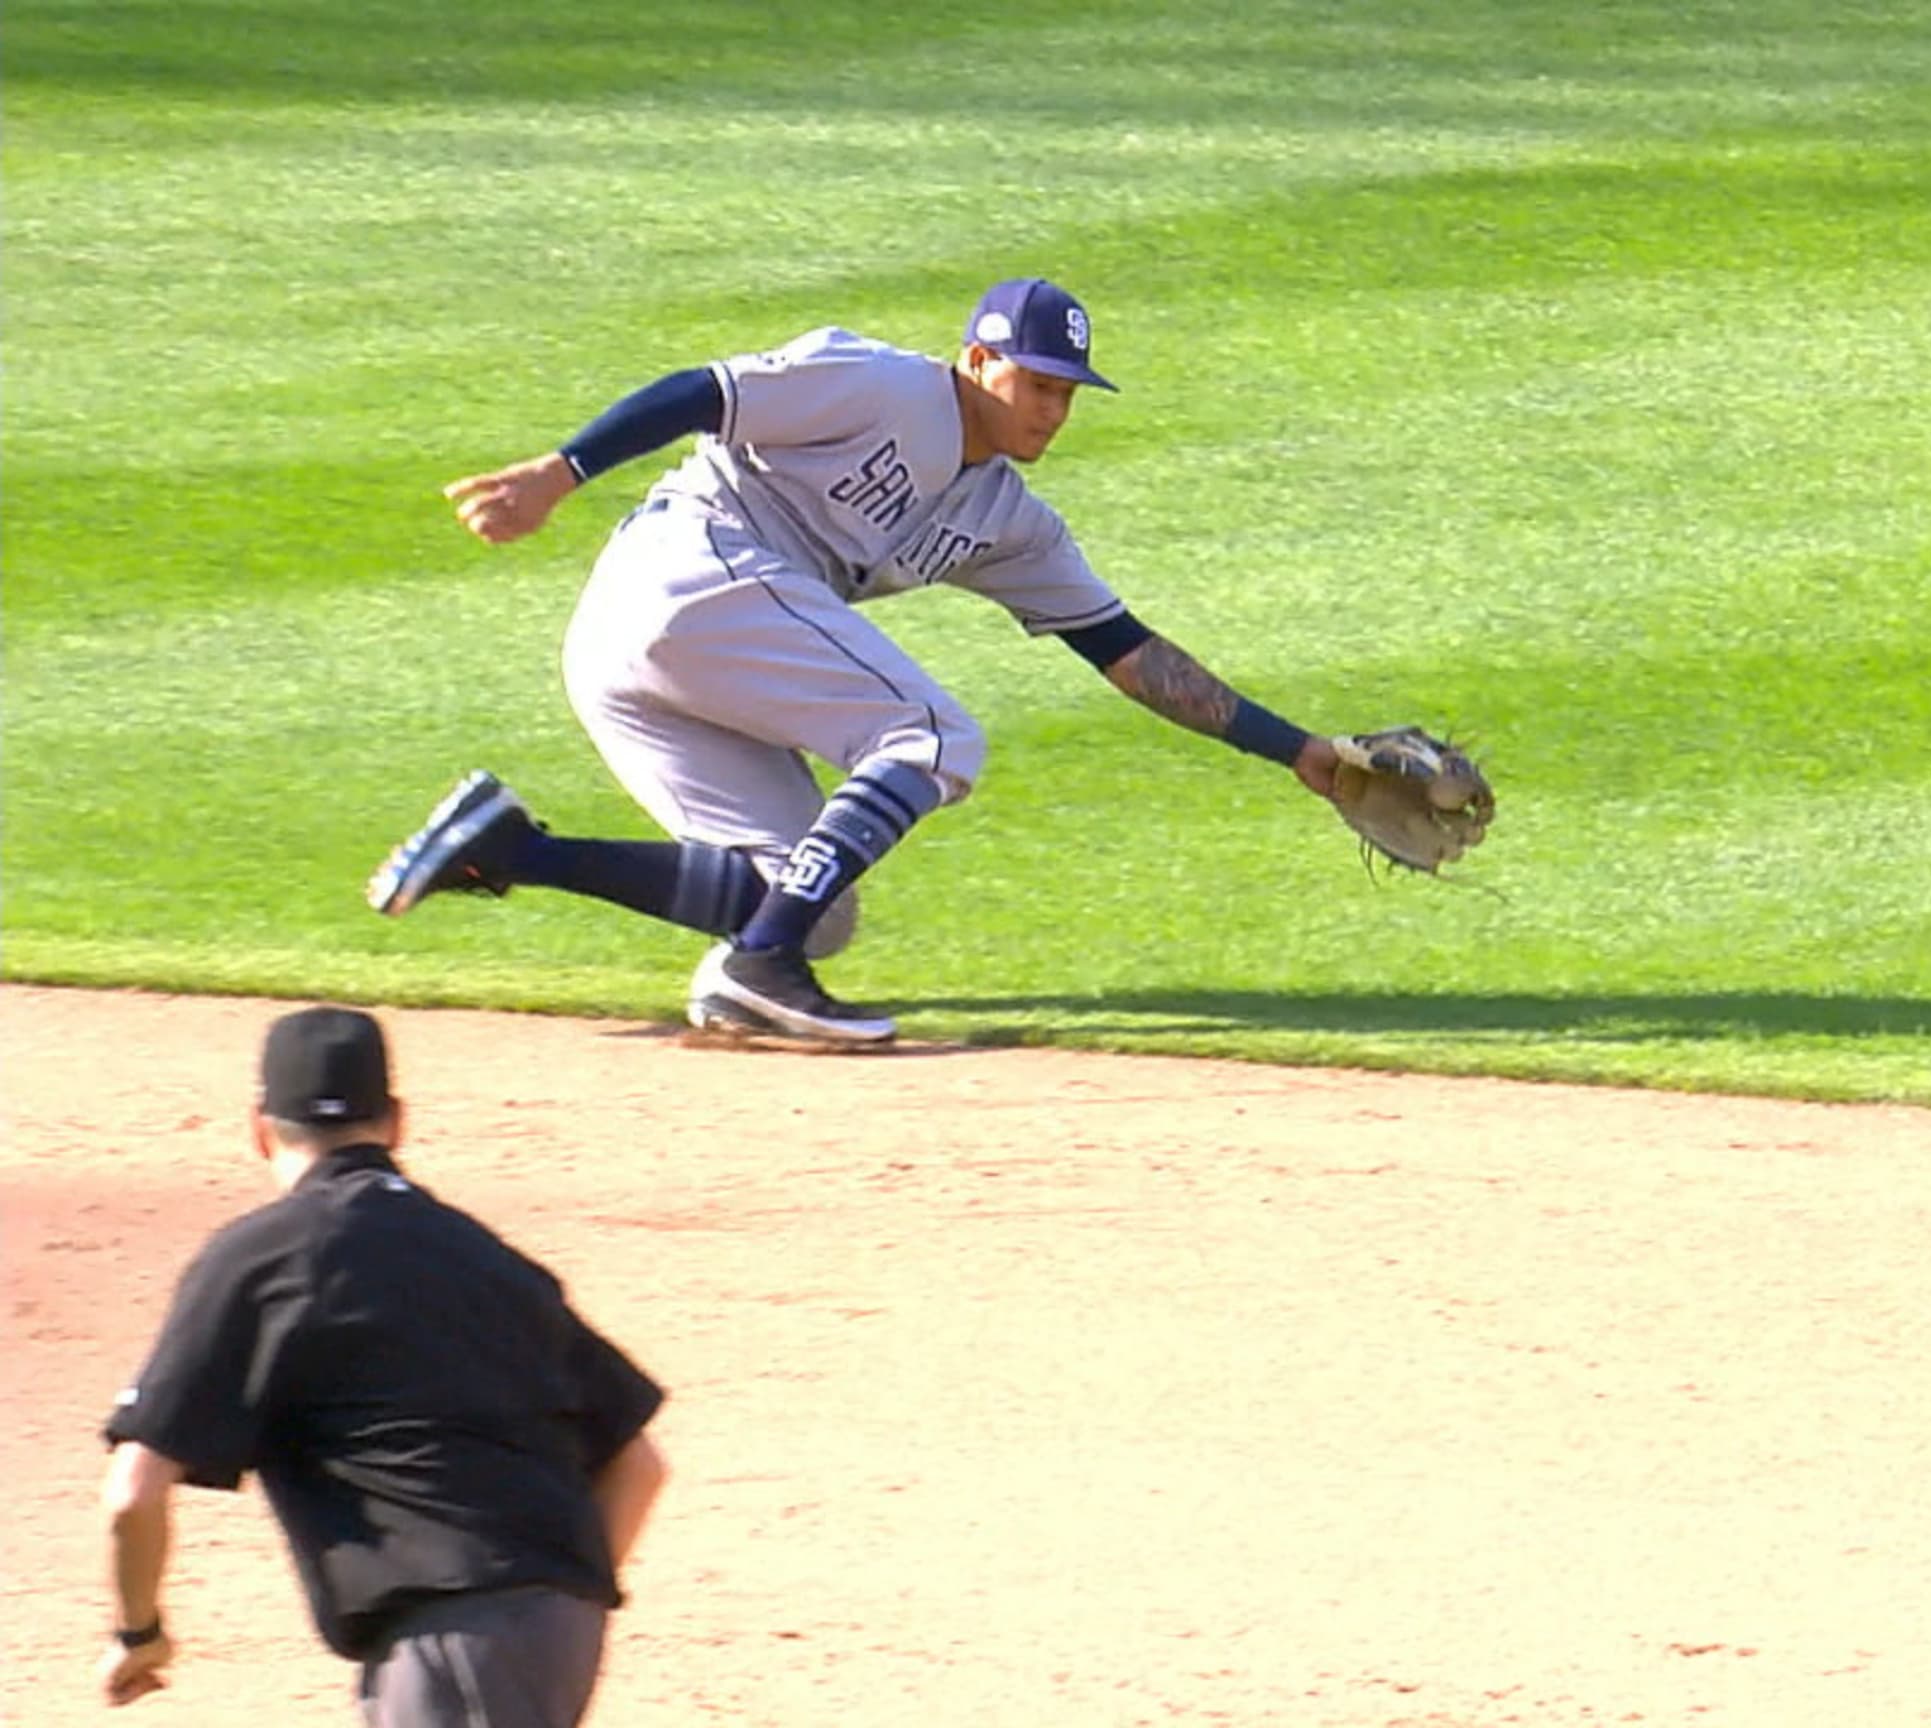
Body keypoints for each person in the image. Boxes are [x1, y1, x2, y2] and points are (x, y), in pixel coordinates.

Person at [368, 275, 1354, 1045]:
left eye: (1068, 394)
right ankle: (760, 966)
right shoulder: (881, 382)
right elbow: (706, 393)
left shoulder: (1012, 524)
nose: (1053, 411)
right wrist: (558, 473)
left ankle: (516, 849)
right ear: (977, 360)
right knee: (931, 735)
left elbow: (1132, 655)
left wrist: (1302, 752)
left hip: (679, 643)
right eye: (1037, 385)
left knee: (816, 902)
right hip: (684, 567)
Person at [96, 1007, 669, 1725]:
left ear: (260, 1128)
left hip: (455, 1631)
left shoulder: (261, 1257)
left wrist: (138, 1634)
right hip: (527, 1628)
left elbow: (133, 1492)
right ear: (396, 1123)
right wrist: (556, 1595)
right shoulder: (485, 1258)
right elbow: (639, 1464)